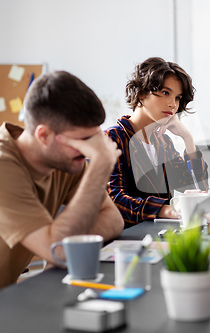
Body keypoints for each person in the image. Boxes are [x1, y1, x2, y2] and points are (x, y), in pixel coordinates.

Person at [0, 71, 124, 289]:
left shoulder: (64, 160)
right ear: (44, 135)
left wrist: (65, 244)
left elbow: (113, 218)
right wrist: (100, 166)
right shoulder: (4, 166)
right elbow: (58, 250)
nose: (90, 150)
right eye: (83, 141)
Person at [105, 57, 208, 228]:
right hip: (129, 239)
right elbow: (115, 201)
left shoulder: (163, 142)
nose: (172, 105)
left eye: (177, 98)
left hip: (161, 233)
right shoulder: (113, 138)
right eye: (166, 93)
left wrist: (188, 139)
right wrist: (166, 210)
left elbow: (198, 188)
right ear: (142, 94)